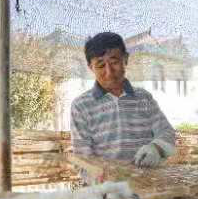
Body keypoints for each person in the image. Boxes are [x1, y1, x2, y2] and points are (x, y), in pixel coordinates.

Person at [70, 32, 176, 167]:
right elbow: (83, 159)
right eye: (101, 65)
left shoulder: (143, 98)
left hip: (149, 183)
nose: (109, 72)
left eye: (114, 62)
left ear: (125, 59)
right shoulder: (81, 106)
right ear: (91, 68)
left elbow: (166, 132)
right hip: (108, 185)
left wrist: (156, 148)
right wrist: (107, 180)